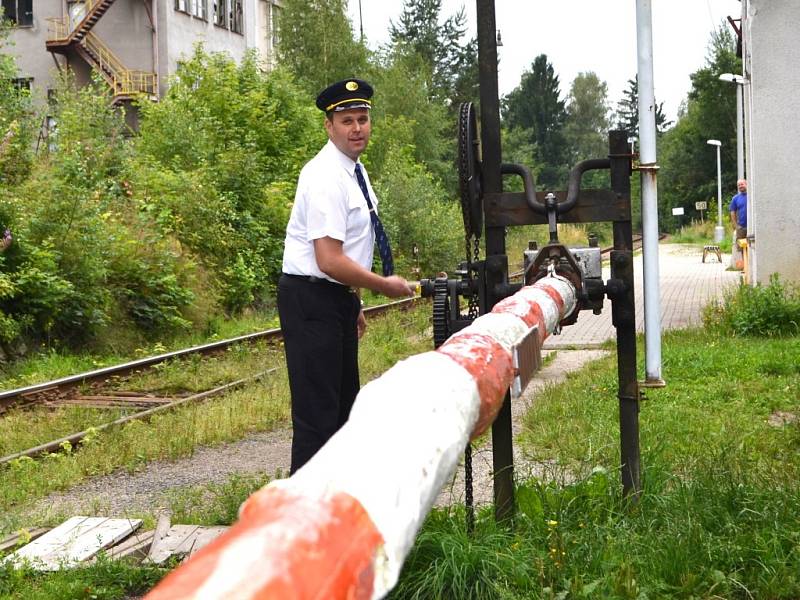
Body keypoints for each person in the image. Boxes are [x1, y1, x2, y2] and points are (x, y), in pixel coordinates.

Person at [278, 78, 415, 474]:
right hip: (310, 298)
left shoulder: (356, 171)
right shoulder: (324, 176)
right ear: (329, 126)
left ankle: (334, 514)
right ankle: (303, 523)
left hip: (334, 298)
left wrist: (352, 300)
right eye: (347, 121)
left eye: (363, 119)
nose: (357, 129)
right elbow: (328, 260)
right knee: (317, 418)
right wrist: (382, 285)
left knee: (341, 412)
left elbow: (351, 248)